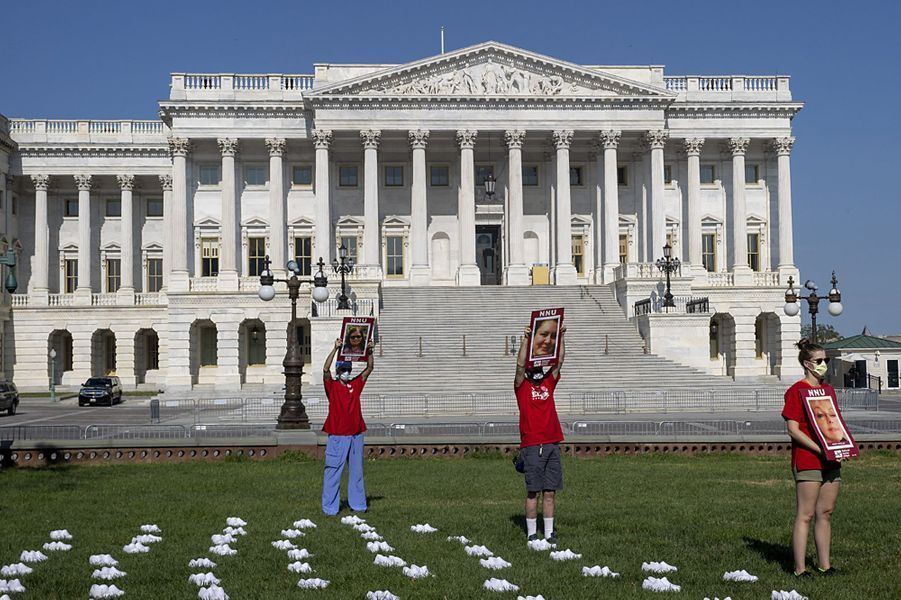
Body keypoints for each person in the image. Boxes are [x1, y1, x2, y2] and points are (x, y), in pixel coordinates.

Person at [781, 339, 843, 577]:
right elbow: (793, 429)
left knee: (825, 512)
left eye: (826, 360)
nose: (824, 364)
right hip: (808, 459)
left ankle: (825, 565)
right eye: (819, 361)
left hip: (831, 459)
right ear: (807, 364)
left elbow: (833, 423)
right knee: (805, 514)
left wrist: (839, 445)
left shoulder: (827, 390)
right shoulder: (796, 391)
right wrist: (820, 448)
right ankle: (799, 569)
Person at [515, 322, 566, 543]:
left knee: (550, 491)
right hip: (532, 444)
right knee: (533, 491)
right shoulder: (522, 387)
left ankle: (549, 532)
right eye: (532, 368)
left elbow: (560, 361)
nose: (536, 371)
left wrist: (560, 336)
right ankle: (532, 533)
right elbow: (518, 366)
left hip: (552, 441)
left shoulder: (547, 382)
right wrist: (527, 339)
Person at [321, 338, 374, 516]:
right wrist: (335, 349)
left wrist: (369, 351)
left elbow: (369, 369)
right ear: (338, 372)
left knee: (357, 472)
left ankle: (359, 505)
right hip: (337, 434)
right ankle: (330, 508)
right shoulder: (332, 386)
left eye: (348, 370)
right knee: (333, 471)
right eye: (343, 370)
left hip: (356, 434)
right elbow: (325, 369)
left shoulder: (355, 385)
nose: (346, 372)